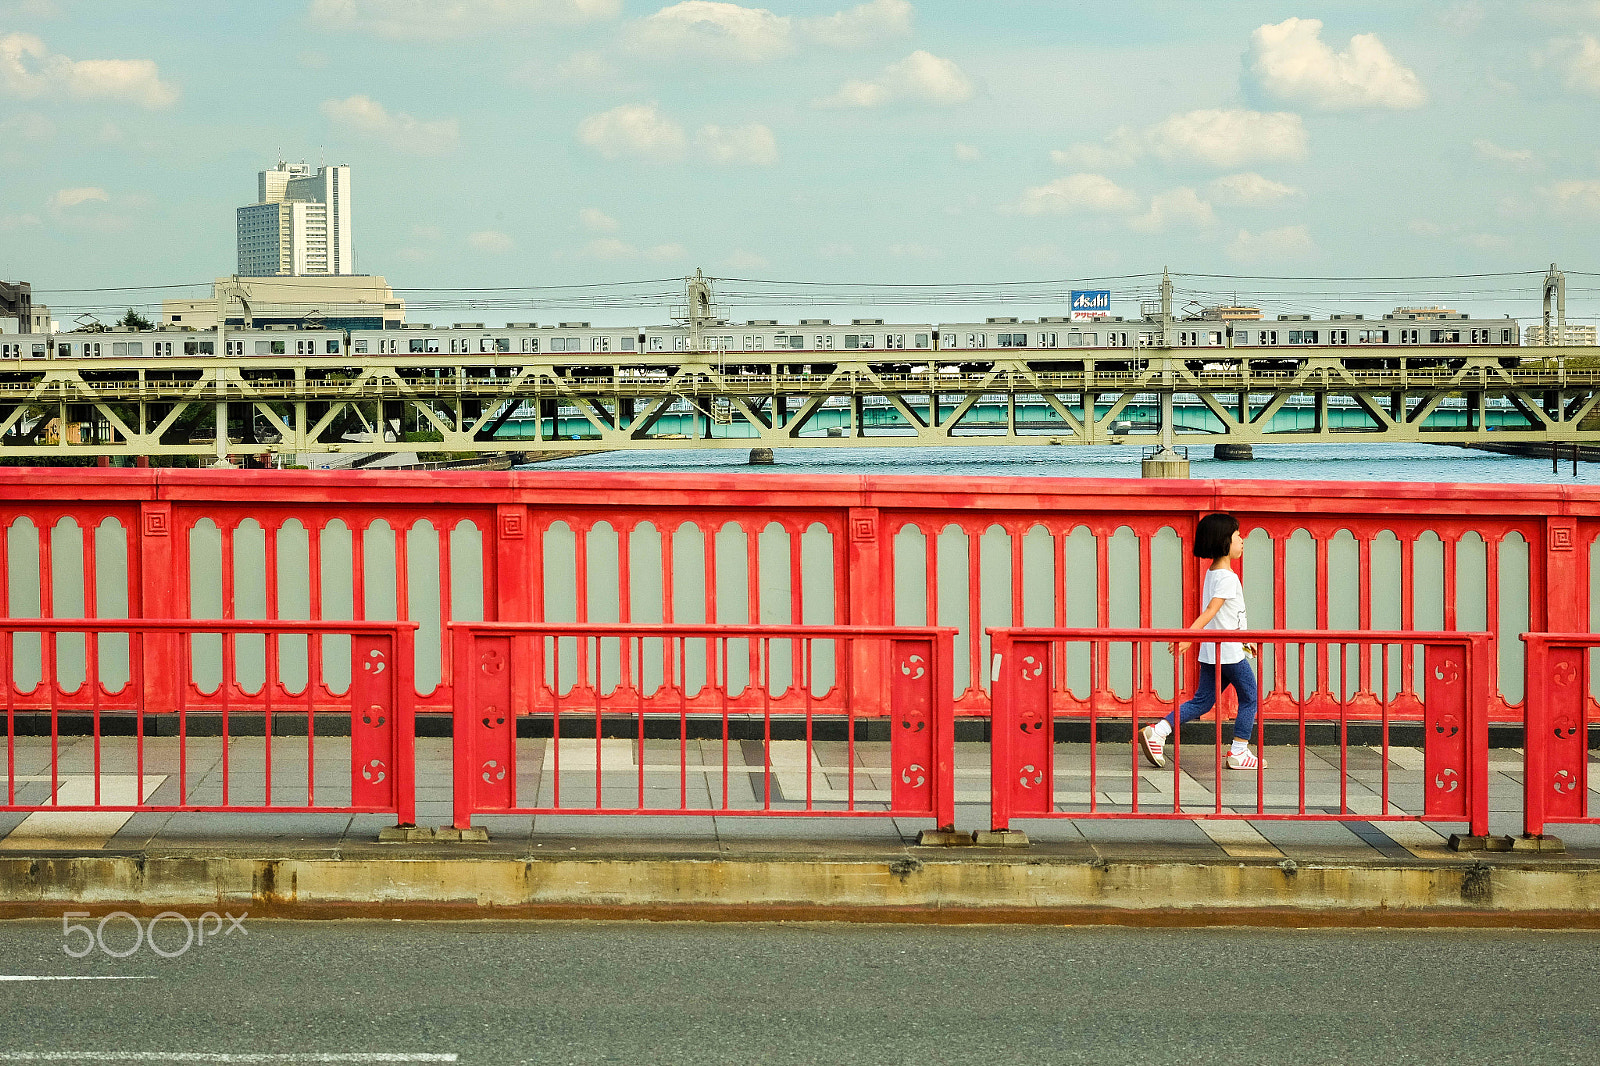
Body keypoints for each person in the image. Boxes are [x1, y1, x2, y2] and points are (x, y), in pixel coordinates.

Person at [1139, 513, 1260, 770]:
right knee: (1250, 697)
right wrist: (1188, 637)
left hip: (1214, 650)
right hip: (1228, 652)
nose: (1242, 540)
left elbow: (1223, 615)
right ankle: (1239, 751)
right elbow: (1211, 612)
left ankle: (1158, 731)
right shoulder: (1228, 577)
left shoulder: (1213, 573)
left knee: (1203, 701)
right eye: (1237, 535)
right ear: (1224, 542)